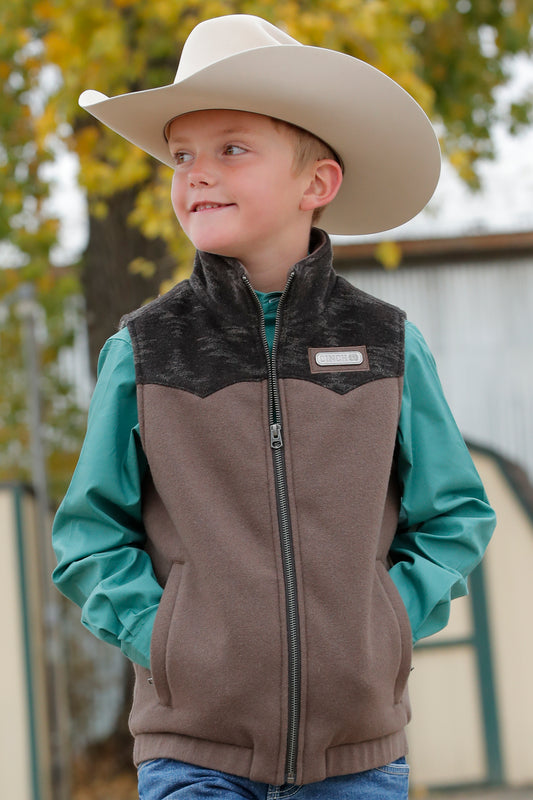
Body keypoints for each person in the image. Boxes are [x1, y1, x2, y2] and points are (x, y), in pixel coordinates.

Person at [52, 14, 496, 800]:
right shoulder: (145, 351)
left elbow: (455, 515)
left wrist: (383, 623)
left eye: (231, 148)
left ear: (314, 184)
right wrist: (165, 640)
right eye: (181, 154)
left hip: (359, 759)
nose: (196, 173)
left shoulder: (386, 346)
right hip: (192, 754)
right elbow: (89, 536)